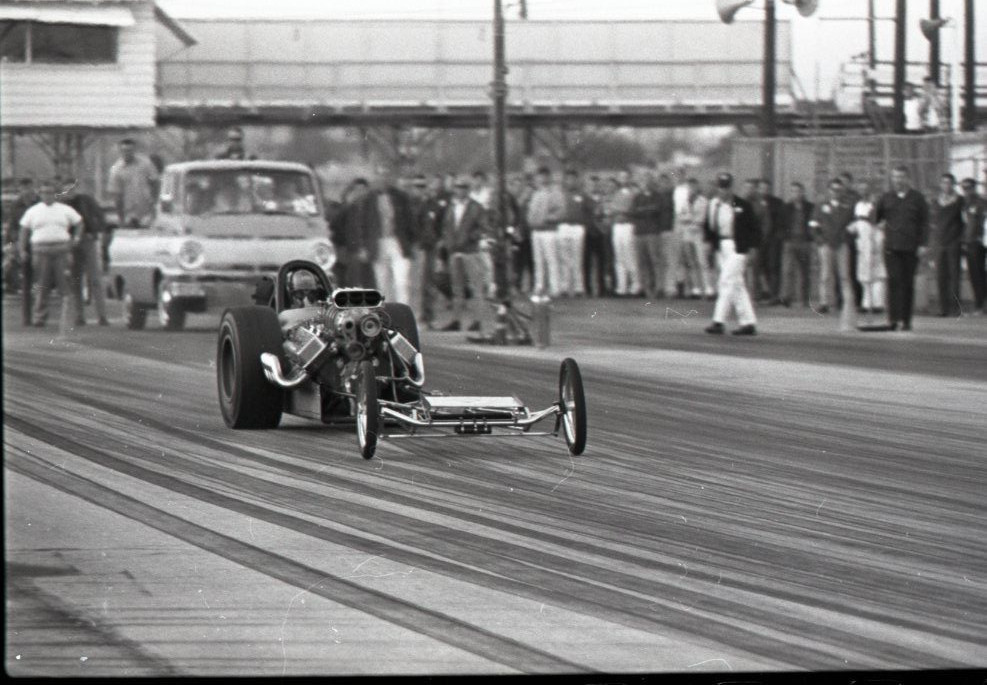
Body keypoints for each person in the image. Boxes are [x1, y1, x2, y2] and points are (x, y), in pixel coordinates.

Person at [18, 179, 82, 330]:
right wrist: (22, 250)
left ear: (55, 194)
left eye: (50, 193)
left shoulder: (64, 209)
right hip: (40, 251)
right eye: (44, 193)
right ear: (40, 194)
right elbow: (24, 231)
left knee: (65, 284)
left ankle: (70, 318)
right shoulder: (33, 211)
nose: (47, 195)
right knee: (41, 284)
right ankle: (39, 317)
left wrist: (76, 239)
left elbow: (79, 222)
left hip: (61, 250)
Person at [875, 165, 930, 332]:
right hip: (891, 246)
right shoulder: (886, 197)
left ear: (907, 178)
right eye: (895, 177)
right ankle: (893, 319)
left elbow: (925, 223)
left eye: (901, 177)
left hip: (910, 247)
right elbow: (876, 218)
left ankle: (906, 320)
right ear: (892, 179)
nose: (898, 180)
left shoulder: (917, 198)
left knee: (907, 283)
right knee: (893, 281)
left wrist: (923, 244)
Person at [704, 172, 759, 335]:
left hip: (738, 246)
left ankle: (718, 320)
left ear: (731, 187)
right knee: (737, 285)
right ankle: (748, 322)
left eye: (726, 187)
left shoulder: (742, 205)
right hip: (721, 245)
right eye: (721, 187)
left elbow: (754, 229)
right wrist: (709, 244)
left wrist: (753, 249)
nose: (723, 191)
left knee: (726, 281)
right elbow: (709, 227)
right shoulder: (713, 204)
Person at [351, 166, 415, 304]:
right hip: (378, 243)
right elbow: (362, 224)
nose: (383, 179)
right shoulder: (368, 199)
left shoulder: (401, 197)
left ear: (390, 178)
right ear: (376, 179)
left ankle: (404, 315)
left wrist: (411, 241)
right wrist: (362, 247)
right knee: (383, 284)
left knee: (402, 282)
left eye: (386, 176)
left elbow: (410, 220)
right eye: (380, 176)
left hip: (398, 242)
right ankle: (388, 317)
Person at [439, 176, 490, 332]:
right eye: (458, 187)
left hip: (471, 251)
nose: (460, 190)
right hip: (455, 251)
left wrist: (469, 238)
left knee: (476, 287)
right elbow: (446, 227)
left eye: (463, 188)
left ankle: (478, 320)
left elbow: (483, 227)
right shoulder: (452, 206)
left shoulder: (476, 207)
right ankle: (456, 319)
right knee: (457, 288)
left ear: (468, 190)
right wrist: (449, 243)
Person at [60, 179, 110, 326]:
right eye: (67, 189)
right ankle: (79, 315)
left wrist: (96, 231)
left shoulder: (86, 201)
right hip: (71, 242)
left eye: (72, 189)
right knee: (75, 280)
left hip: (88, 239)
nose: (70, 192)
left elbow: (99, 215)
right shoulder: (62, 206)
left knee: (95, 278)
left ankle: (102, 315)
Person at [809, 177, 855, 328]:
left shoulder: (848, 206)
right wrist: (819, 240)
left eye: (839, 190)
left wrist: (846, 238)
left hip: (841, 245)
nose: (836, 192)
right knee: (825, 274)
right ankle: (825, 302)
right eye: (833, 190)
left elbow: (853, 226)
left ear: (842, 191)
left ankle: (847, 302)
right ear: (829, 190)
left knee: (844, 275)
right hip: (826, 244)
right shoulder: (821, 205)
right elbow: (813, 224)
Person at [846, 179, 886, 315]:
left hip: (874, 240)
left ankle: (878, 303)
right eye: (861, 189)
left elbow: (878, 222)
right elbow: (857, 222)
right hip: (862, 243)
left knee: (877, 274)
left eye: (866, 189)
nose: (863, 192)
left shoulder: (876, 204)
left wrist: (877, 241)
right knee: (863, 274)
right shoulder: (857, 205)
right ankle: (866, 303)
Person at [408, 173, 443, 329]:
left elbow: (440, 223)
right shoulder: (409, 205)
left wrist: (437, 239)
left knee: (429, 282)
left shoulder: (433, 204)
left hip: (430, 246)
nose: (420, 190)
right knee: (415, 282)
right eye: (417, 186)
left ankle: (429, 316)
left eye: (423, 186)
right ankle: (415, 314)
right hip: (415, 246)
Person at [525, 166, 565, 297]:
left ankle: (555, 288)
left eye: (545, 176)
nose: (542, 179)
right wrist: (531, 221)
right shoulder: (536, 193)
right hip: (536, 231)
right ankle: (539, 286)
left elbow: (561, 211)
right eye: (540, 176)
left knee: (552, 259)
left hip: (549, 230)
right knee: (538, 260)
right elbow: (531, 212)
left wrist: (547, 219)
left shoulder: (555, 193)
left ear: (549, 177)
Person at [4, 178, 39, 323]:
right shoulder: (16, 205)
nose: (26, 191)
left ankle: (38, 313)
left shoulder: (40, 203)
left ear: (33, 188)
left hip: (39, 242)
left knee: (39, 280)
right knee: (26, 280)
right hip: (24, 244)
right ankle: (27, 316)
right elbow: (12, 226)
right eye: (23, 188)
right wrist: (11, 243)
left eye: (29, 188)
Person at [930, 173, 965, 318]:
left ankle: (956, 309)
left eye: (949, 183)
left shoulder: (960, 201)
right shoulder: (935, 202)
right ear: (941, 185)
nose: (946, 185)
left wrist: (959, 240)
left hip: (953, 242)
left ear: (953, 184)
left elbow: (964, 222)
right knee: (940, 276)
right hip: (939, 243)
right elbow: (932, 224)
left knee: (955, 275)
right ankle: (943, 308)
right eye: (944, 183)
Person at [107, 138, 159, 228]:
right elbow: (116, 195)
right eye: (125, 150)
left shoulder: (145, 164)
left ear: (135, 150)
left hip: (146, 210)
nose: (128, 153)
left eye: (130, 150)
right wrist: (121, 218)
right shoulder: (116, 170)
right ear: (120, 151)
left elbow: (155, 181)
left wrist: (154, 200)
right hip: (128, 212)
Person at [557, 168, 593, 297]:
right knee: (564, 258)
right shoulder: (561, 194)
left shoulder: (582, 195)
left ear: (577, 180)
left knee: (577, 258)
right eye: (568, 179)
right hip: (564, 226)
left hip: (577, 227)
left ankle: (578, 287)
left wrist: (586, 225)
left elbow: (590, 210)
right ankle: (565, 287)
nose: (571, 181)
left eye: (573, 179)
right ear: (565, 180)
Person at [675, 177, 712, 299]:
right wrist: (688, 218)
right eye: (689, 187)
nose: (692, 189)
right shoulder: (685, 201)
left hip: (698, 233)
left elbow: (701, 219)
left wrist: (688, 218)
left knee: (702, 261)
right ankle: (696, 288)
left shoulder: (703, 201)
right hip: (687, 233)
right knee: (691, 261)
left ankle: (708, 288)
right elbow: (680, 216)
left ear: (697, 187)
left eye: (693, 186)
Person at [779, 181, 814, 308]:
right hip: (790, 241)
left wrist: (811, 237)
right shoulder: (786, 207)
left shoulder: (809, 207)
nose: (796, 194)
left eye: (798, 191)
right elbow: (781, 224)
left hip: (804, 242)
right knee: (787, 270)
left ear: (802, 192)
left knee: (804, 271)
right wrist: (785, 237)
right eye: (793, 191)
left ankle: (804, 298)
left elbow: (813, 223)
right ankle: (786, 297)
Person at [754, 178, 786, 304]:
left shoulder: (777, 203)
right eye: (761, 188)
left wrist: (778, 236)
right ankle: (759, 293)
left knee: (773, 267)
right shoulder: (753, 203)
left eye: (766, 188)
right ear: (758, 189)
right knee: (758, 267)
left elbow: (782, 221)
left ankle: (774, 295)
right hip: (758, 240)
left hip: (773, 240)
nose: (764, 191)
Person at [609, 170, 639, 296]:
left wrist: (618, 209)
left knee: (629, 255)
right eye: (621, 177)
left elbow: (629, 209)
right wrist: (617, 210)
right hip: (617, 226)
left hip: (628, 226)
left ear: (629, 178)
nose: (623, 179)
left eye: (625, 177)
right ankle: (622, 287)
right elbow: (611, 209)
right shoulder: (615, 193)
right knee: (619, 256)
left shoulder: (633, 193)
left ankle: (635, 285)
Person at [960, 177, 985, 315]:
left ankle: (981, 305)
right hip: (968, 243)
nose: (966, 191)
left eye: (968, 188)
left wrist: (981, 238)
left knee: (979, 274)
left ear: (974, 188)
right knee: (973, 274)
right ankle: (979, 304)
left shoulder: (980, 203)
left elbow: (982, 223)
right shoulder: (964, 204)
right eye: (964, 188)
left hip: (978, 243)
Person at [584, 174, 613, 297]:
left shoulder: (603, 199)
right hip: (588, 232)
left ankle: (602, 288)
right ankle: (588, 288)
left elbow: (605, 215)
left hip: (600, 232)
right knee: (586, 262)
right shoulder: (584, 198)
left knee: (602, 261)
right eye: (591, 184)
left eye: (596, 184)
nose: (594, 186)